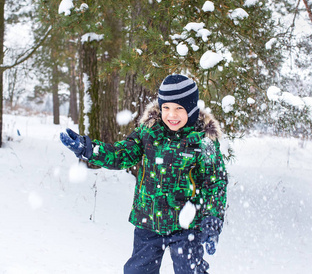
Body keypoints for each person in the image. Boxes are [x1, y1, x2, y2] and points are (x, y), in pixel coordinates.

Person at [60, 74, 228, 274]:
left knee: (190, 271)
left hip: (187, 224)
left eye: (179, 108)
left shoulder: (204, 142)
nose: (171, 115)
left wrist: (212, 219)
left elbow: (215, 182)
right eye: (166, 107)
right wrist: (88, 149)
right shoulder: (149, 132)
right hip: (149, 220)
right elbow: (121, 154)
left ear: (191, 109)